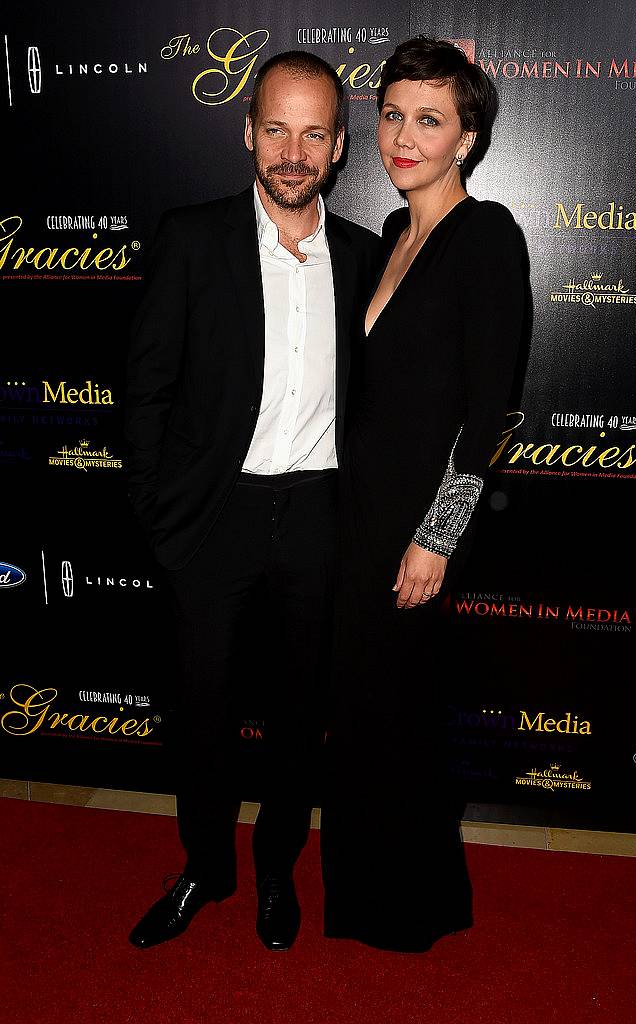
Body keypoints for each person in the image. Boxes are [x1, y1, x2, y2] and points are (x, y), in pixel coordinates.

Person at [124, 50, 379, 952]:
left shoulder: (365, 258)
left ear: (341, 146)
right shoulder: (192, 238)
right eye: (276, 128)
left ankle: (277, 869)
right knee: (201, 714)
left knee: (296, 722)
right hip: (212, 520)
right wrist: (164, 521)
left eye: (314, 132)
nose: (293, 151)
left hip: (318, 520)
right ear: (247, 134)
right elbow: (145, 388)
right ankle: (205, 867)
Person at [320, 37, 526, 952]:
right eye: (393, 114)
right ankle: (369, 899)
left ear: (467, 138)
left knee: (398, 714)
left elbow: (492, 411)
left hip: (417, 527)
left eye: (429, 119)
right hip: (354, 520)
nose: (404, 137)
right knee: (362, 715)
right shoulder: (389, 240)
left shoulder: (487, 237)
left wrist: (438, 536)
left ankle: (411, 907)